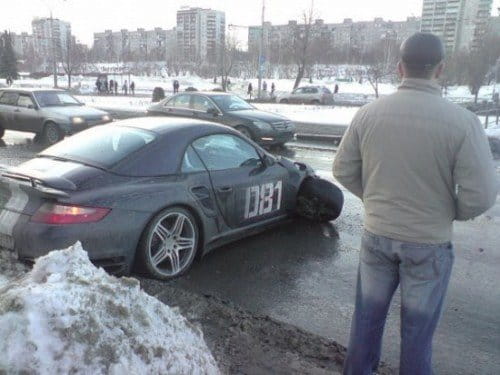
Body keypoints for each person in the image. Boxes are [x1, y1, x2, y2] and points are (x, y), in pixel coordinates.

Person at [333, 32, 498, 375]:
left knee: (365, 326)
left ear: (399, 68)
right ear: (440, 70)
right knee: (417, 338)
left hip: (377, 236)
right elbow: (481, 195)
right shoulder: (463, 123)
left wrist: (376, 199)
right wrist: (448, 212)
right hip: (429, 245)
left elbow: (342, 169)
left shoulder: (368, 114)